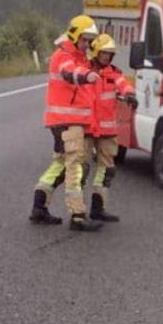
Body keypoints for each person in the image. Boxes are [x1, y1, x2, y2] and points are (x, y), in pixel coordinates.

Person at [32, 14, 102, 232]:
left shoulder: (79, 56)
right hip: (67, 122)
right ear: (74, 36)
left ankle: (39, 206)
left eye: (90, 40)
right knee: (75, 166)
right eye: (85, 39)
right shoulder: (64, 55)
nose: (87, 44)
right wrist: (87, 76)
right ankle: (78, 215)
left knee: (60, 164)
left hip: (67, 122)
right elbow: (69, 72)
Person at [86, 33, 135, 224]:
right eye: (104, 53)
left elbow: (123, 85)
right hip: (87, 129)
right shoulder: (84, 71)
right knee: (79, 169)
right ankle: (77, 211)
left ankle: (98, 208)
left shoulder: (114, 74)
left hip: (106, 131)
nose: (107, 57)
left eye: (109, 54)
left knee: (106, 170)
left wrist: (130, 94)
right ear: (96, 52)